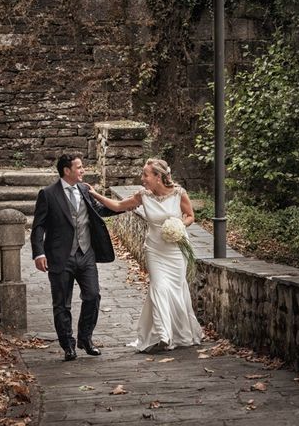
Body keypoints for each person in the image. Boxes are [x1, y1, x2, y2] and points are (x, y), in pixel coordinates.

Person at [85, 158, 202, 352]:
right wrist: (95, 194)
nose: (142, 178)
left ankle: (177, 331)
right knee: (159, 286)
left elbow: (190, 216)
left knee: (174, 288)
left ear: (158, 177)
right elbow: (117, 206)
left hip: (175, 250)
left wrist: (180, 225)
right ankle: (163, 334)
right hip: (154, 250)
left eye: (145, 175)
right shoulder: (143, 196)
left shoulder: (179, 193)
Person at [30, 153, 120, 361]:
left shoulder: (84, 190)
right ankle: (68, 345)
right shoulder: (48, 194)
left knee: (93, 295)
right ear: (67, 171)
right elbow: (38, 226)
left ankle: (85, 339)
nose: (83, 170)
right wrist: (39, 253)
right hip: (60, 257)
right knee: (62, 303)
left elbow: (100, 210)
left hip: (86, 254)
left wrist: (128, 205)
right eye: (79, 167)